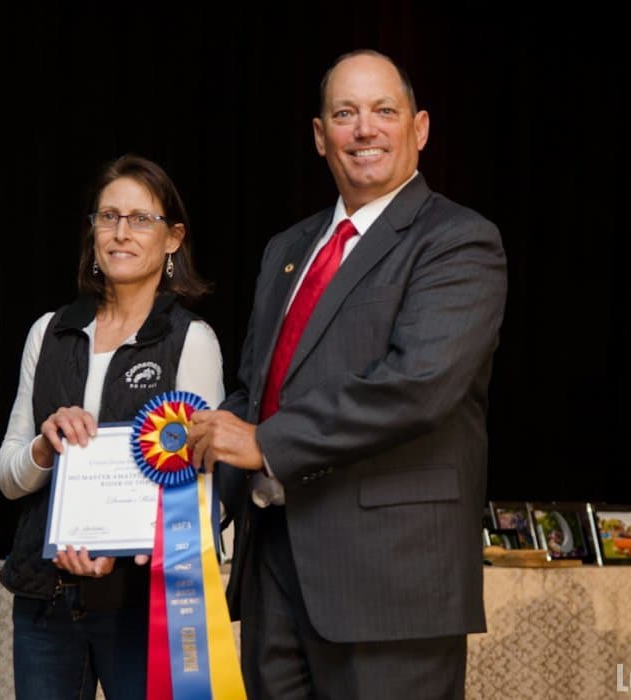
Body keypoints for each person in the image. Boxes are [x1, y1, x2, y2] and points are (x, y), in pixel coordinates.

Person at [188, 49, 508, 698]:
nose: (365, 129)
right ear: (319, 135)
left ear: (419, 128)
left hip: (389, 583)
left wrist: (264, 443)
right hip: (273, 569)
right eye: (344, 114)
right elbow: (255, 391)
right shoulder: (287, 248)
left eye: (384, 111)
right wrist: (177, 485)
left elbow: (416, 386)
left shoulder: (457, 240)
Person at [0, 154, 224, 699]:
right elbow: (7, 476)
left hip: (142, 607)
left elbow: (204, 491)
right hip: (46, 601)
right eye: (108, 217)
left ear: (173, 238)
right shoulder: (49, 332)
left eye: (141, 219)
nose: (122, 233)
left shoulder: (191, 341)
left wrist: (120, 548)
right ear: (92, 230)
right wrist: (44, 448)